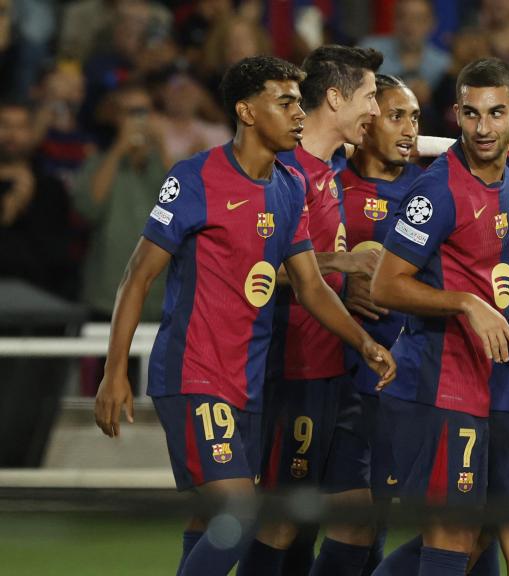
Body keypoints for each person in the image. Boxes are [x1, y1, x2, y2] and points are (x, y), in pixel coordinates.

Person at [92, 55, 396, 576]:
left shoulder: (289, 186)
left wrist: (363, 343)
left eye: (301, 103)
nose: (299, 114)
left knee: (206, 524)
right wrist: (113, 371)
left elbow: (310, 286)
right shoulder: (194, 178)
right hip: (194, 373)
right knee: (241, 513)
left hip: (250, 383)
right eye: (285, 103)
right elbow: (136, 278)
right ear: (246, 111)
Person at [369, 57, 509, 576]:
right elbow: (386, 283)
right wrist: (466, 303)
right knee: (454, 532)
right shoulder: (437, 190)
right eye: (471, 114)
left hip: (485, 388)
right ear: (457, 115)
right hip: (435, 385)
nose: (482, 128)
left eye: (494, 114)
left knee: (474, 537)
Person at [236, 46, 386, 576]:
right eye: (369, 96)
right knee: (282, 520)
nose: (375, 108)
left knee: (355, 517)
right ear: (336, 98)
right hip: (293, 369)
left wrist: (352, 285)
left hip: (335, 370)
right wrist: (337, 262)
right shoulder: (284, 172)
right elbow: (258, 271)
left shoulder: (330, 168)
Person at [339, 73, 425, 575]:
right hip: (337, 372)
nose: (410, 128)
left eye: (415, 117)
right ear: (367, 123)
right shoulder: (329, 184)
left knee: (382, 516)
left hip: (404, 377)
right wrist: (338, 281)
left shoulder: (430, 188)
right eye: (397, 116)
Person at [73, 82, 171, 322]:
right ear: (116, 118)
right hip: (109, 295)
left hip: (162, 296)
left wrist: (162, 146)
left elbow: (188, 208)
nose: (139, 120)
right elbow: (89, 209)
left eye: (144, 111)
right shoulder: (98, 163)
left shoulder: (168, 165)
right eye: (131, 112)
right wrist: (119, 149)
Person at [0, 100, 75, 300]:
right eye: (5, 125)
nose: (12, 134)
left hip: (42, 302)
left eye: (21, 127)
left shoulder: (51, 187)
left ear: (32, 133)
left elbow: (58, 253)